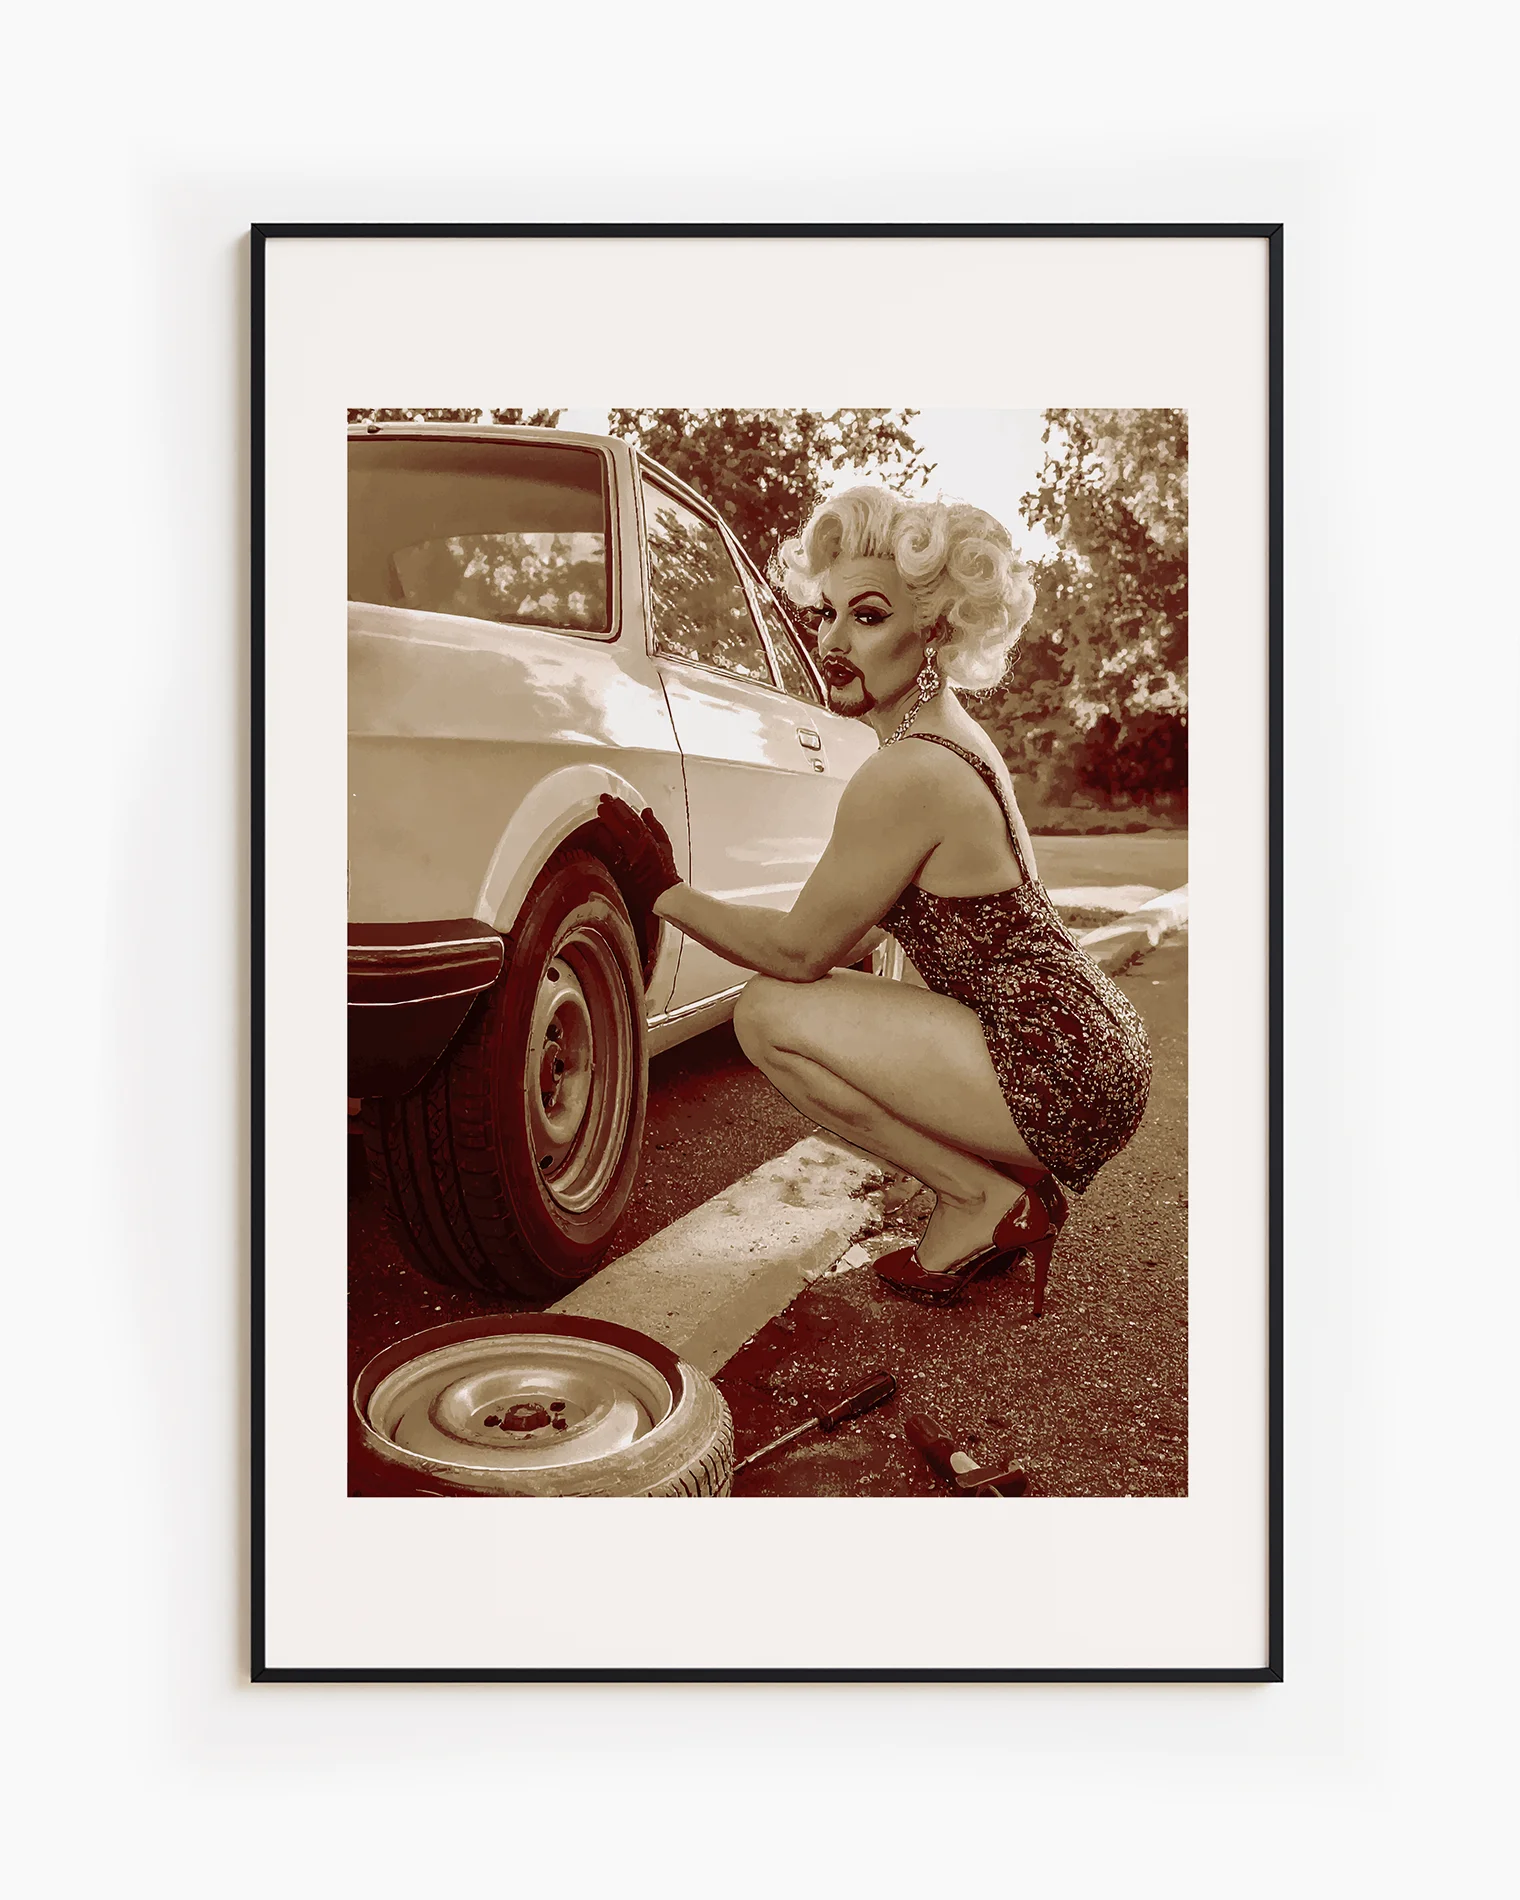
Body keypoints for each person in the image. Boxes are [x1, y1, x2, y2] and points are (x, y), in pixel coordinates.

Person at [598, 486, 1152, 1312]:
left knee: (769, 1012)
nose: (831, 640)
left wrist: (661, 889)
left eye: (866, 616)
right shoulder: (948, 736)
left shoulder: (910, 770)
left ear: (934, 631)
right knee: (831, 1003)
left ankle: (984, 1201)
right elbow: (937, 966)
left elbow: (797, 953)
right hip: (1085, 1044)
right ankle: (997, 1185)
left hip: (1055, 1064)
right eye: (828, 615)